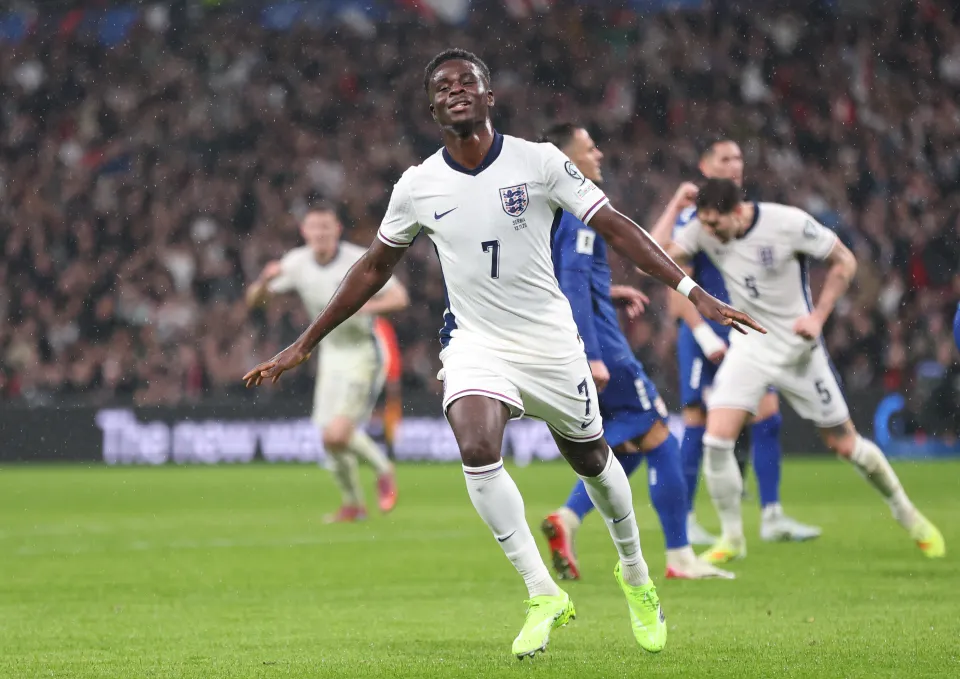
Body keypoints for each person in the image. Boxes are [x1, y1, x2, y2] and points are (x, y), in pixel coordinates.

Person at [243, 49, 763, 658]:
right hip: (475, 340)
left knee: (594, 461)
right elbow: (374, 266)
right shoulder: (417, 185)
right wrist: (306, 342)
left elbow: (617, 225)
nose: (457, 90)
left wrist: (692, 291)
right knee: (477, 445)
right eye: (444, 86)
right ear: (431, 107)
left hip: (548, 339)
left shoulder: (539, 162)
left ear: (490, 97)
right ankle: (542, 592)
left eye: (470, 82)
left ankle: (637, 575)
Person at [660, 178, 945, 565]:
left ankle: (906, 514)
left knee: (846, 445)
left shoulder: (787, 223)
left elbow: (845, 260)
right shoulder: (702, 227)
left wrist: (819, 316)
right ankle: (732, 538)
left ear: (738, 211)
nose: (709, 234)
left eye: (715, 225)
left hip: (798, 350)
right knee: (716, 439)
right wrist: (677, 206)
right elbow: (655, 256)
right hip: (749, 347)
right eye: (704, 225)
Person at [536, 123, 733, 581]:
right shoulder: (579, 207)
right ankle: (680, 556)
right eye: (589, 149)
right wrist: (591, 353)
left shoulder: (547, 209)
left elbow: (564, 276)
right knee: (661, 435)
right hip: (603, 350)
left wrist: (609, 290)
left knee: (630, 444)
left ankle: (568, 517)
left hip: (572, 341)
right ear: (565, 159)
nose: (598, 154)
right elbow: (571, 278)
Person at [649, 138, 820, 544]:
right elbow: (663, 267)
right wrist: (705, 335)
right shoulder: (694, 214)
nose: (735, 164)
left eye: (740, 157)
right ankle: (687, 519)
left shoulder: (746, 215)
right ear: (705, 165)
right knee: (695, 419)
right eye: (725, 158)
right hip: (703, 330)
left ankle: (772, 514)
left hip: (743, 330)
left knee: (768, 415)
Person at [246, 206, 407, 522]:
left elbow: (400, 297)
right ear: (305, 232)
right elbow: (255, 301)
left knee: (337, 434)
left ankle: (383, 469)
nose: (320, 235)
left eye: (326, 228)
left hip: (363, 352)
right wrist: (264, 282)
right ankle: (354, 505)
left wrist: (366, 306)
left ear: (337, 230)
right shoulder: (296, 262)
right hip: (329, 354)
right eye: (314, 229)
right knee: (327, 438)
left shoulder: (359, 258)